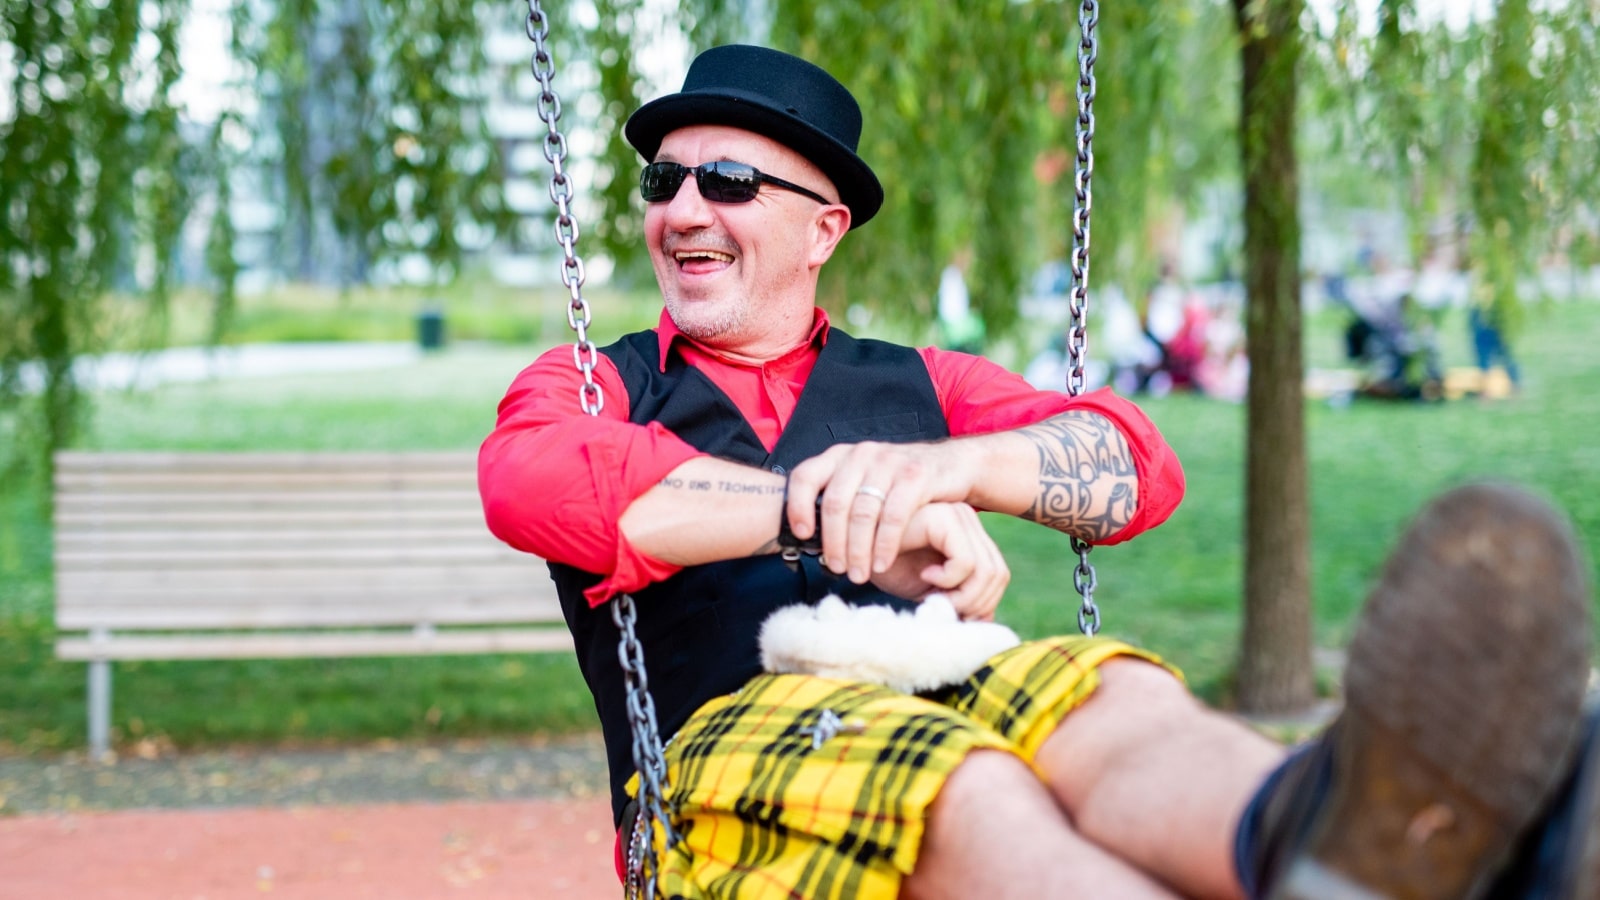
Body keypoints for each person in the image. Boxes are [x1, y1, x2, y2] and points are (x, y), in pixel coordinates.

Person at [479, 44, 1600, 898]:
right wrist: (844, 508)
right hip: (721, 770)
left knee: (1104, 692)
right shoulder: (596, 383)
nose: (681, 210)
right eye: (663, 182)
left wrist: (961, 469)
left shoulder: (924, 383)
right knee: (959, 777)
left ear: (822, 230)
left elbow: (1131, 462)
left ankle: (1343, 837)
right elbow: (537, 482)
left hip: (940, 665)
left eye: (726, 182)